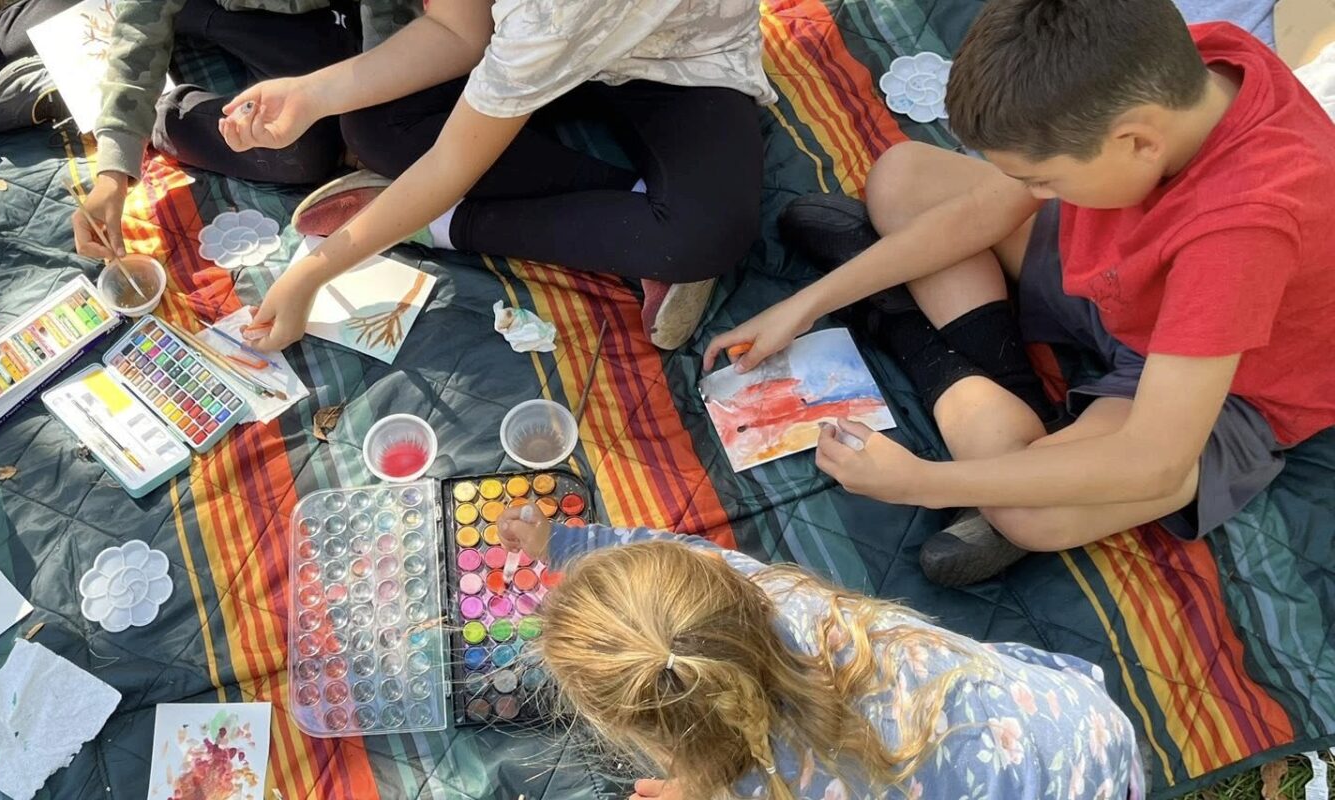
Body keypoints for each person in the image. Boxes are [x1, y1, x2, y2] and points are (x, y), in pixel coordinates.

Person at [709, 0, 1335, 585]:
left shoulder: (1242, 230)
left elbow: (1156, 458)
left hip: (1216, 387)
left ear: (1140, 141)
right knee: (904, 176)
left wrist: (926, 483)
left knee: (1032, 515)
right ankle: (1008, 395)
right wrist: (807, 303)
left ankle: (909, 330)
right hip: (1125, 280)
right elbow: (986, 211)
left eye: (1044, 179)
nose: (1031, 195)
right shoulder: (1181, 66)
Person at [221, 0, 772, 351]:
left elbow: (451, 162)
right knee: (374, 122)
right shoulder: (534, 28)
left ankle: (441, 225)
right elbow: (460, 33)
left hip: (678, 64)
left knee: (703, 236)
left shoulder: (549, 15)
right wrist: (311, 92)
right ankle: (633, 217)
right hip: (531, 50)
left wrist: (311, 274)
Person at [498, 507, 1145, 800]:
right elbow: (671, 552)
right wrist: (566, 542)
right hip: (1081, 721)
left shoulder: (771, 786)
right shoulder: (769, 591)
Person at [45, 0, 419, 259]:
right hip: (217, 13)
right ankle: (165, 115)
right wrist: (114, 170)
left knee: (337, 139)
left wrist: (364, 115)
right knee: (302, 154)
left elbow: (391, 32)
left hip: (322, 21)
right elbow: (138, 33)